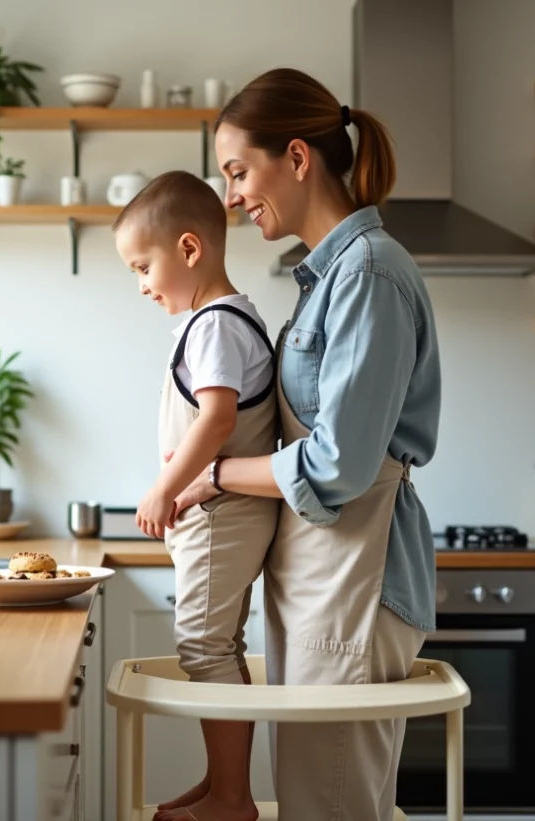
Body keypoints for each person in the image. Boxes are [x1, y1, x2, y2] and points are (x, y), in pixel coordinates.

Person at [166, 68, 442, 820]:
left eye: (236, 171)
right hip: (325, 576)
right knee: (321, 799)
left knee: (332, 806)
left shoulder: (370, 276)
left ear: (296, 157)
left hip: (354, 574)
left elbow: (338, 464)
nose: (229, 196)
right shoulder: (327, 279)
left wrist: (214, 472)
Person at [113, 170, 280, 821]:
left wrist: (163, 488)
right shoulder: (223, 319)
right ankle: (221, 787)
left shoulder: (213, 325)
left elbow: (216, 419)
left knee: (204, 649)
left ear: (189, 249)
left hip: (220, 517)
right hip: (217, 517)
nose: (142, 285)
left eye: (143, 265)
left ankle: (233, 800)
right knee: (218, 648)